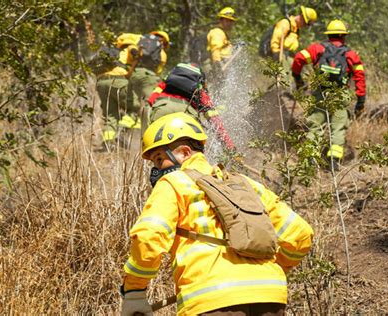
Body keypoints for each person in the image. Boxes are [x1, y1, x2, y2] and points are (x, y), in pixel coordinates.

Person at [120, 112, 314, 316]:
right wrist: (271, 270)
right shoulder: (247, 184)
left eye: (159, 159)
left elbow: (148, 236)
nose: (157, 169)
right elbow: (301, 234)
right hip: (270, 298)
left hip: (211, 300)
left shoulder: (174, 182)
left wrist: (134, 291)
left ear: (185, 153)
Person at [291, 20, 366, 169]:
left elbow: (298, 59)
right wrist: (360, 100)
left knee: (315, 126)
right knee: (338, 128)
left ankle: (311, 162)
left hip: (320, 93)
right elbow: (360, 77)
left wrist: (297, 78)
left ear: (328, 35)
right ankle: (334, 163)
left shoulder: (317, 49)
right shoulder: (350, 54)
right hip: (340, 94)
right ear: (343, 36)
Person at [96, 31, 169, 143]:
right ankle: (124, 135)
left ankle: (107, 143)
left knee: (110, 115)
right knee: (135, 108)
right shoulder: (140, 47)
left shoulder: (118, 48)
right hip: (119, 79)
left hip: (101, 82)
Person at [147, 62, 235, 151]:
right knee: (190, 156)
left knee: (157, 152)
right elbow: (214, 120)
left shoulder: (167, 81)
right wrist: (229, 147)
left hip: (162, 109)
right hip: (185, 115)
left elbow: (151, 99)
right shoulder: (199, 89)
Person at [207, 7, 237, 74]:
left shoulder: (223, 33)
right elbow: (215, 49)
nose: (229, 23)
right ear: (221, 20)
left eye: (231, 21)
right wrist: (217, 66)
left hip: (223, 65)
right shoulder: (217, 32)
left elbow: (225, 49)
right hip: (217, 66)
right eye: (227, 20)